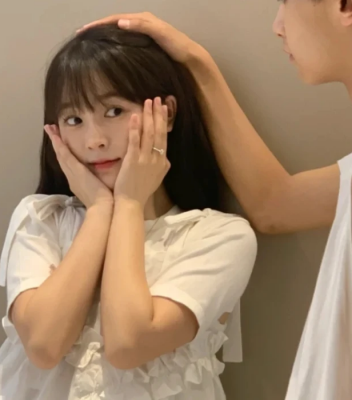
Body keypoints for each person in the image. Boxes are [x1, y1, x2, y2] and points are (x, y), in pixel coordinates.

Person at [78, 2, 352, 400]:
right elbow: (277, 205)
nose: (277, 26)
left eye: (286, 1)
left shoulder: (218, 238)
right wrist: (197, 63)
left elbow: (129, 342)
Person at [0, 24, 257, 400]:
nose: (94, 140)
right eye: (74, 120)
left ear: (166, 114)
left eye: (114, 111)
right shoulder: (40, 218)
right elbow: (43, 346)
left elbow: (128, 345)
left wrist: (128, 204)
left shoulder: (220, 236)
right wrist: (99, 211)